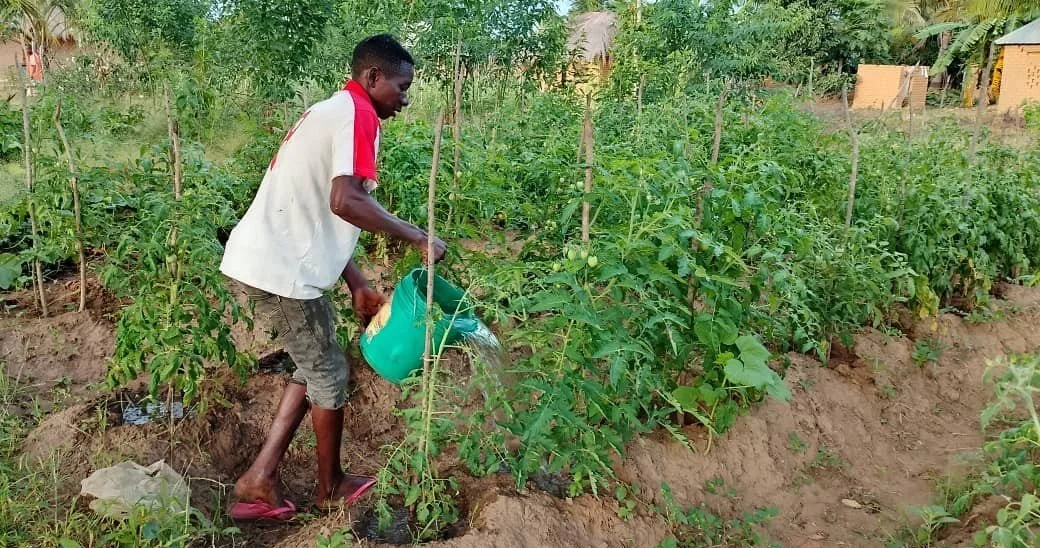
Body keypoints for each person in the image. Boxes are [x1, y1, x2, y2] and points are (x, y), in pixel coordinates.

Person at [220, 34, 447, 521]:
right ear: (373, 77)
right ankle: (331, 487)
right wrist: (417, 237)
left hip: (277, 261)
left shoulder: (336, 110)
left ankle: (260, 477)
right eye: (402, 87)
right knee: (329, 373)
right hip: (281, 271)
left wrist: (357, 281)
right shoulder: (356, 114)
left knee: (316, 364)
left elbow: (322, 209)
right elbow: (346, 201)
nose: (405, 99)